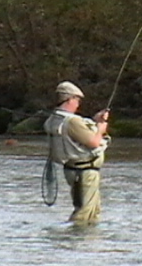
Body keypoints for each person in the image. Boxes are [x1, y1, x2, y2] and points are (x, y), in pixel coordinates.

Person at [43, 81, 110, 225]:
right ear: (70, 99)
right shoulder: (73, 121)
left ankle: (86, 241)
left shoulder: (53, 119)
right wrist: (100, 129)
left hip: (72, 170)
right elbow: (93, 142)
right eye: (77, 100)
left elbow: (77, 135)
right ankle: (75, 241)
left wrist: (95, 120)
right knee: (84, 212)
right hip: (84, 172)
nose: (78, 104)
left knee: (90, 211)